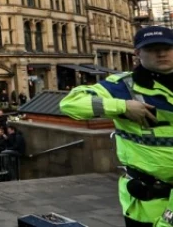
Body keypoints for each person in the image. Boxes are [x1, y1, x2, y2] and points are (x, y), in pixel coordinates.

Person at [59, 25, 173, 227]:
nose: (161, 53)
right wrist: (121, 106)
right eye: (153, 48)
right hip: (147, 201)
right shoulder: (122, 87)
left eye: (167, 47)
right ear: (137, 53)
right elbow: (70, 103)